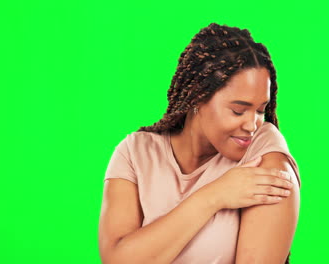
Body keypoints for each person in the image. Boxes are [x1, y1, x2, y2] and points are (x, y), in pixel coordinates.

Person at [98, 22, 301, 264]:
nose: (252, 125)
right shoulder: (136, 152)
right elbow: (117, 259)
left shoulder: (265, 153)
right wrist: (214, 196)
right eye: (238, 110)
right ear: (197, 98)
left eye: (260, 110)